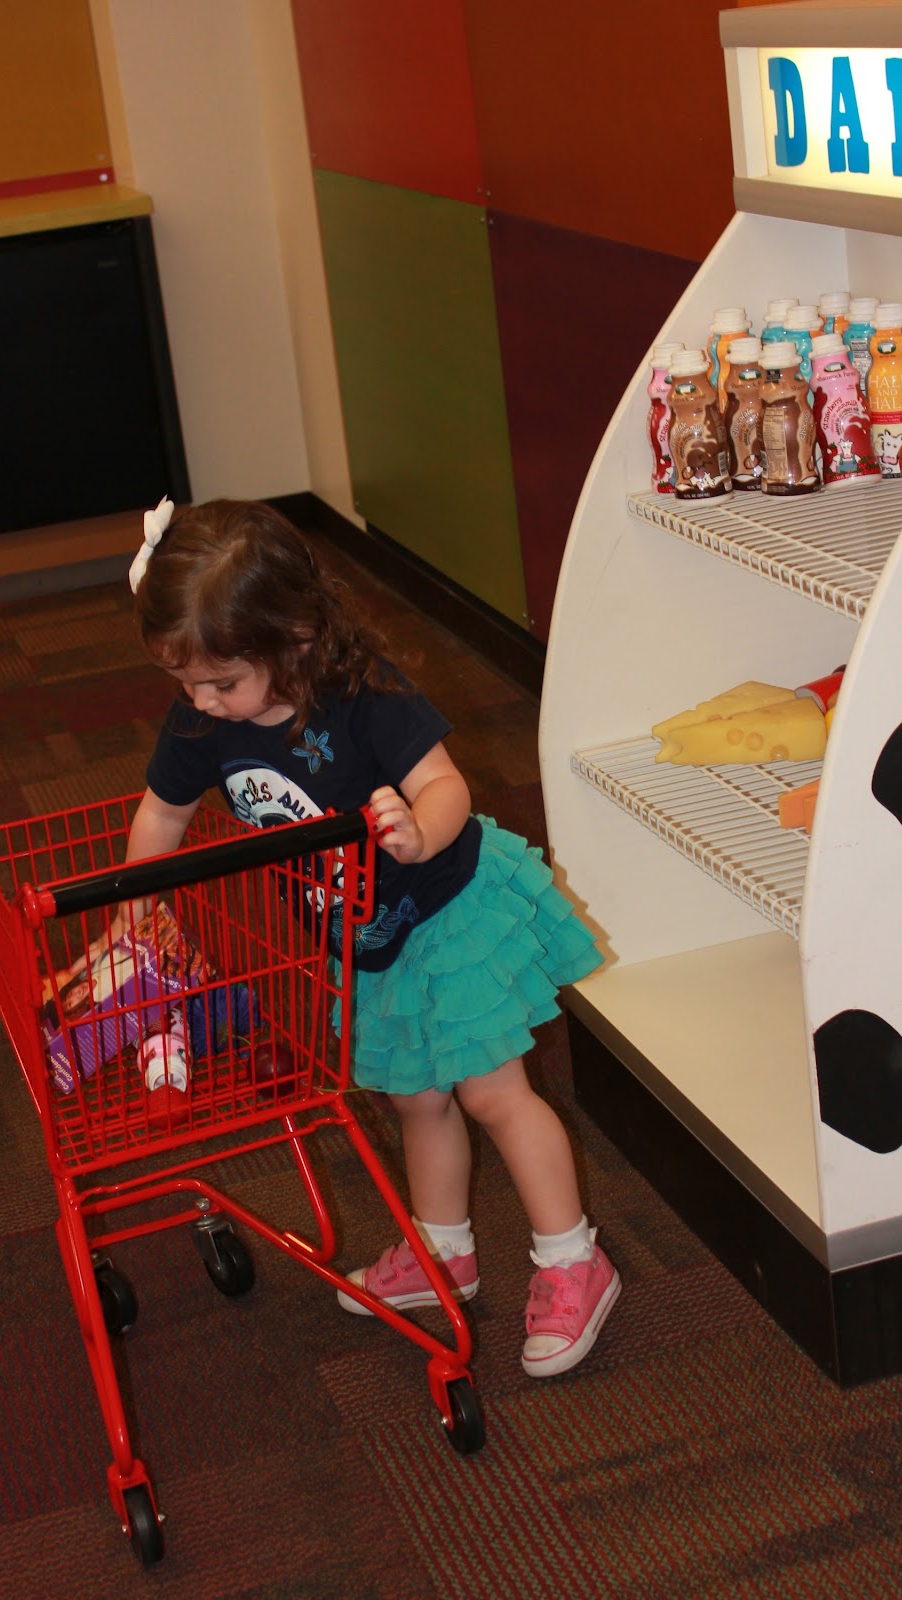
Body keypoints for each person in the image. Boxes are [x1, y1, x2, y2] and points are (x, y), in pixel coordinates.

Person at [124, 496, 620, 1378]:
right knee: (415, 1100)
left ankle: (574, 1260)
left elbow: (446, 786)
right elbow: (162, 813)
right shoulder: (203, 720)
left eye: (222, 681)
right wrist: (138, 905)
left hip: (447, 910)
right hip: (360, 938)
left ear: (293, 638)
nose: (201, 701)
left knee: (493, 1094)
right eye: (185, 681)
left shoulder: (361, 694)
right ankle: (444, 1255)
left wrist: (419, 832)